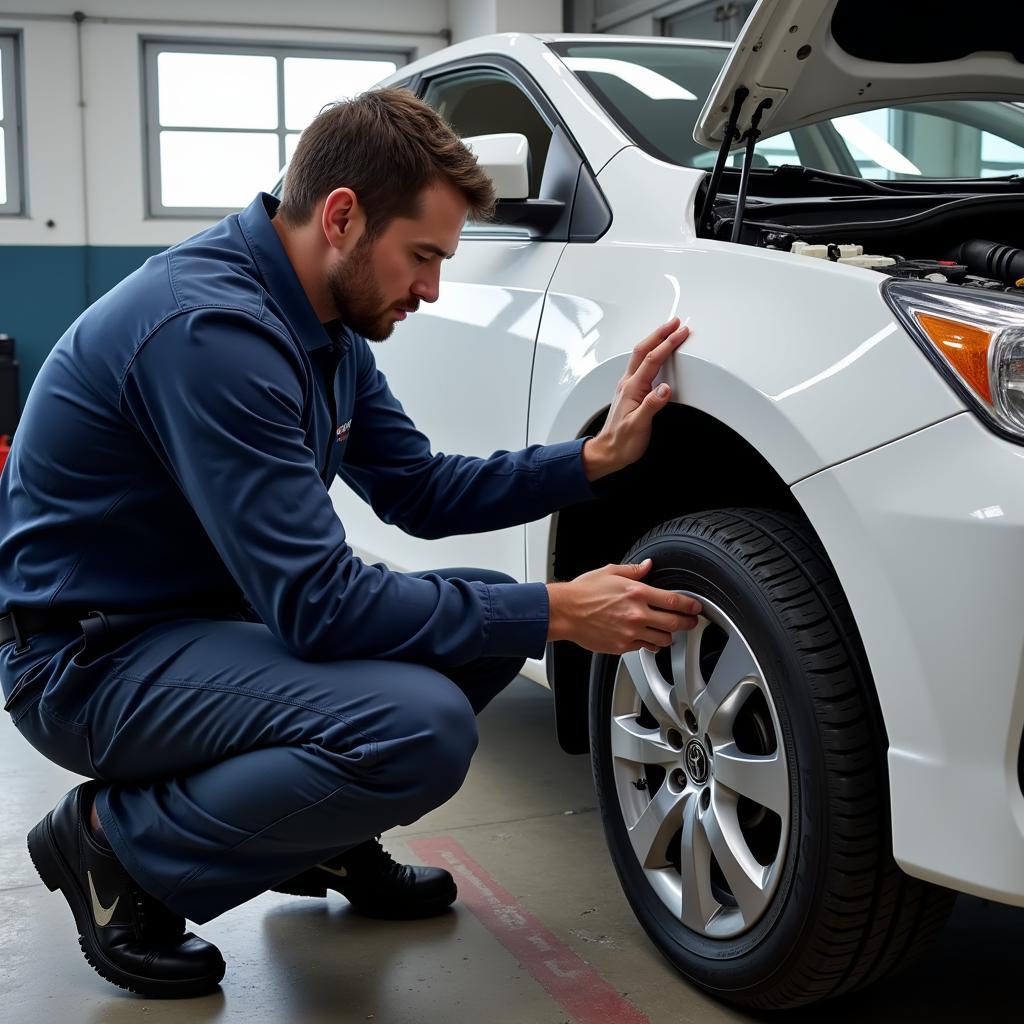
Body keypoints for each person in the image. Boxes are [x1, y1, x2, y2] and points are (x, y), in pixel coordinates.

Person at [0, 87, 698, 998]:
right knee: (421, 724)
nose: (431, 289)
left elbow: (416, 487)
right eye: (423, 256)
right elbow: (319, 605)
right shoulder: (211, 334)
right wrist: (557, 610)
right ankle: (113, 846)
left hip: (198, 627)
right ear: (342, 217)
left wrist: (591, 460)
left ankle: (318, 839)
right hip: (87, 663)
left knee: (474, 635)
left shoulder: (320, 326)